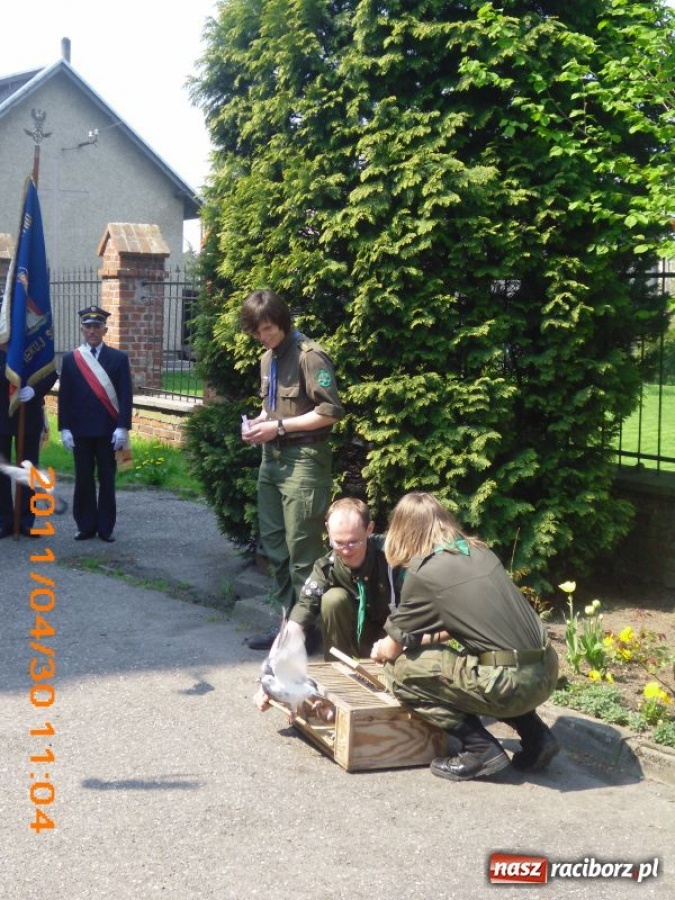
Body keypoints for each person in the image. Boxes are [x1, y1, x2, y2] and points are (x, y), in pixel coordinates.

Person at [370, 492, 559, 782]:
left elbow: (392, 649)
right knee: (484, 659)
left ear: (402, 530)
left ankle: (479, 749)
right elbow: (465, 627)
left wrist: (380, 650)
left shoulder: (424, 574)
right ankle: (537, 737)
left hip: (508, 685)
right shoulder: (480, 552)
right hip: (545, 672)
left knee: (401, 671)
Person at [240, 290, 344, 651]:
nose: (262, 336)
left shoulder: (309, 356)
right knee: (275, 547)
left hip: (304, 461)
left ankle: (308, 632)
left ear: (283, 321)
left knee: (302, 552)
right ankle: (287, 625)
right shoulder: (267, 359)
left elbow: (329, 412)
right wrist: (257, 424)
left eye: (267, 329)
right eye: (256, 331)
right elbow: (271, 409)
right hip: (271, 460)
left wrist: (279, 428)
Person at [288, 497, 400, 660]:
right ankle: (337, 668)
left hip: (394, 639)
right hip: (355, 640)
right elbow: (305, 605)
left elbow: (414, 605)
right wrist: (290, 634)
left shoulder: (392, 557)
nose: (346, 550)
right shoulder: (327, 567)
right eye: (338, 543)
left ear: (369, 529)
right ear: (328, 529)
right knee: (333, 599)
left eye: (353, 542)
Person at [57, 305, 133, 542]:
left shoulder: (118, 358)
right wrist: (64, 428)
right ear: (82, 329)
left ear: (105, 330)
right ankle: (85, 525)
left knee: (107, 479)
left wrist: (122, 427)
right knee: (83, 479)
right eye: (88, 326)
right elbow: (65, 397)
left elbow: (125, 396)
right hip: (80, 430)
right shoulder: (71, 359)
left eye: (97, 326)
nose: (92, 331)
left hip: (108, 430)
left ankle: (106, 527)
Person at [0, 348, 57, 538]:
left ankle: (25, 521)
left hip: (29, 413)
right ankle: (4, 521)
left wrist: (35, 390)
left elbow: (50, 373)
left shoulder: (35, 342)